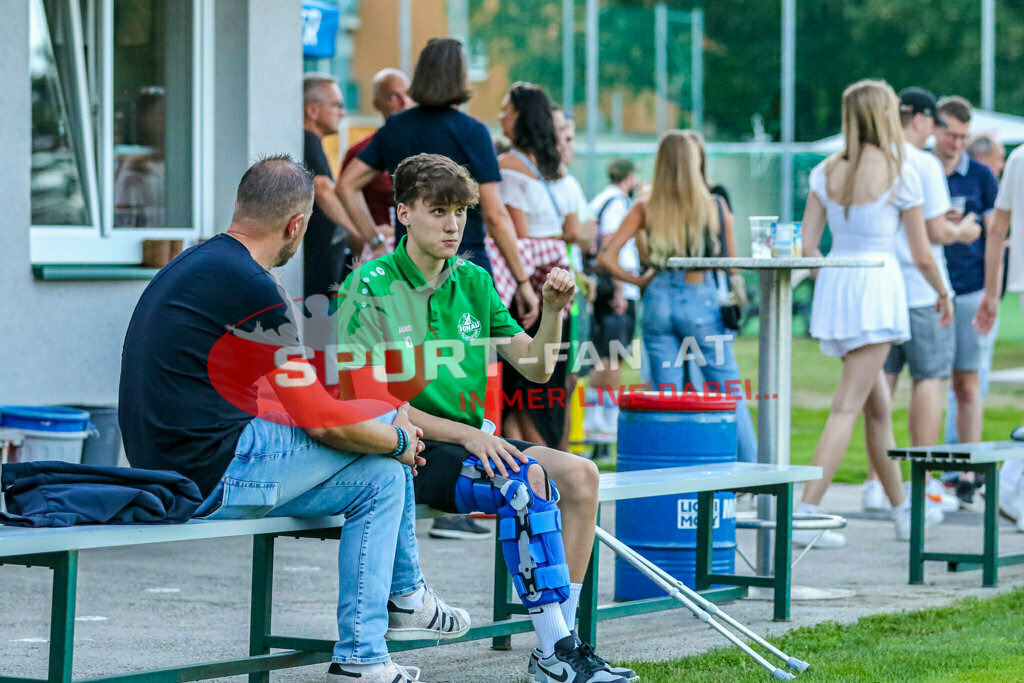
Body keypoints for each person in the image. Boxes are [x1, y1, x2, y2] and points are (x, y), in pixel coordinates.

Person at [119, 155, 468, 683]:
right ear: (297, 225)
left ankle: (371, 647)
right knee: (385, 458)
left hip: (166, 462)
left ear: (240, 207)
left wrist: (381, 435)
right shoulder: (255, 289)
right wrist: (395, 437)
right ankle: (398, 608)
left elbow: (284, 401)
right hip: (207, 472)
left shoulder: (199, 263)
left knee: (378, 477)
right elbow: (321, 422)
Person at [337, 153, 633, 683]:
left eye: (460, 212)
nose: (453, 225)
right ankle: (554, 655)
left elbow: (539, 368)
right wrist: (470, 436)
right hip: (407, 451)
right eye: (438, 211)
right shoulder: (369, 285)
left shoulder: (473, 278)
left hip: (474, 445)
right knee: (525, 482)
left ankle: (562, 638)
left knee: (583, 477)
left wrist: (553, 311)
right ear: (403, 213)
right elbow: (375, 404)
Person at [796, 80, 953, 546]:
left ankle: (903, 510)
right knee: (848, 404)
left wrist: (833, 288)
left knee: (876, 406)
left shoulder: (827, 170)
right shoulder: (901, 170)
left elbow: (808, 247)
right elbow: (923, 254)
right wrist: (942, 292)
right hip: (879, 286)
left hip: (841, 283)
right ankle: (806, 512)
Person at [338, 37, 540, 330]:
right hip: (464, 263)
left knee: (412, 365)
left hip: (409, 267)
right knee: (468, 363)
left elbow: (346, 185)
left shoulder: (396, 127)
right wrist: (522, 281)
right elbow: (495, 216)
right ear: (460, 76)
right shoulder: (472, 132)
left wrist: (375, 242)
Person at [596, 132, 757, 465]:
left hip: (658, 298)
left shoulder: (645, 206)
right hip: (699, 298)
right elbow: (732, 260)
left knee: (667, 395)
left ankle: (672, 477)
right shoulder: (713, 205)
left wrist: (639, 280)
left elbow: (605, 256)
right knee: (728, 391)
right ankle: (750, 474)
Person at [860, 87, 980, 514]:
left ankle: (877, 482)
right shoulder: (924, 163)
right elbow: (932, 236)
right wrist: (962, 232)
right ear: (923, 120)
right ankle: (922, 483)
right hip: (920, 289)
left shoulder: (869, 159)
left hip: (880, 290)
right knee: (929, 380)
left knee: (882, 386)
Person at [495, 82, 577, 447]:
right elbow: (574, 230)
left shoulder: (509, 168)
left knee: (522, 393)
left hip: (527, 291)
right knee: (552, 388)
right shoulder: (555, 170)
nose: (500, 116)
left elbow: (517, 233)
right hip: (562, 289)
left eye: (505, 110)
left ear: (521, 118)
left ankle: (532, 471)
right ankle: (553, 466)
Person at [931, 97, 1000, 505]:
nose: (956, 143)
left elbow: (995, 235)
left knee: (968, 383)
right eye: (949, 134)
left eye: (962, 136)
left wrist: (993, 291)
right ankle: (935, 471)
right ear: (935, 130)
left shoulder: (980, 176)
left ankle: (967, 472)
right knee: (931, 382)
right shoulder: (920, 170)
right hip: (930, 287)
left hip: (970, 286)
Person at [973, 139, 1024, 534]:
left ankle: (1009, 484)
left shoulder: (1020, 156)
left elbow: (997, 229)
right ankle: (1009, 486)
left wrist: (993, 291)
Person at [585, 159, 639, 442]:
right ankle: (606, 419)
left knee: (601, 353)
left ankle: (595, 416)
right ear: (629, 178)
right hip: (617, 286)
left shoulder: (599, 200)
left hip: (600, 285)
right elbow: (609, 243)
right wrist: (619, 288)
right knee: (614, 355)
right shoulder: (617, 203)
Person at [303, 74, 363, 298]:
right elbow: (322, 188)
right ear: (312, 110)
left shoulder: (313, 142)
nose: (343, 112)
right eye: (337, 105)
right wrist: (359, 234)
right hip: (313, 288)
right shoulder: (307, 140)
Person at [340, 68, 413, 240]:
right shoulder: (360, 152)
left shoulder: (425, 147)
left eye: (408, 94)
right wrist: (371, 238)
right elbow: (343, 197)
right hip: (378, 250)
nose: (404, 102)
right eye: (393, 97)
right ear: (377, 104)